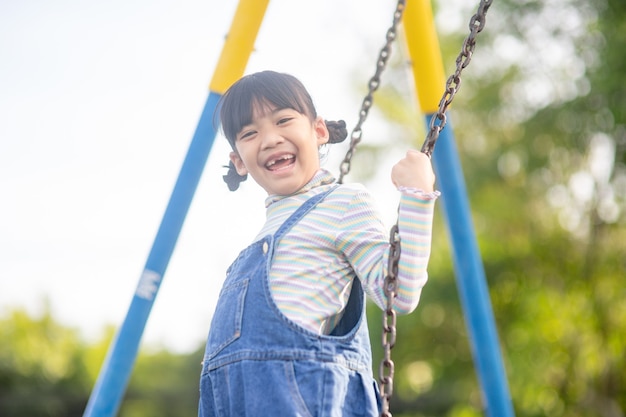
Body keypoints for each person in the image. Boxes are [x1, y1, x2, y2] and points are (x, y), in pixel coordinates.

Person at [199, 70, 439, 417]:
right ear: (238, 161)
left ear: (319, 131)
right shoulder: (261, 238)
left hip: (300, 399)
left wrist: (417, 196)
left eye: (283, 120)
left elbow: (397, 292)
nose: (269, 139)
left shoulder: (343, 204)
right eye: (249, 133)